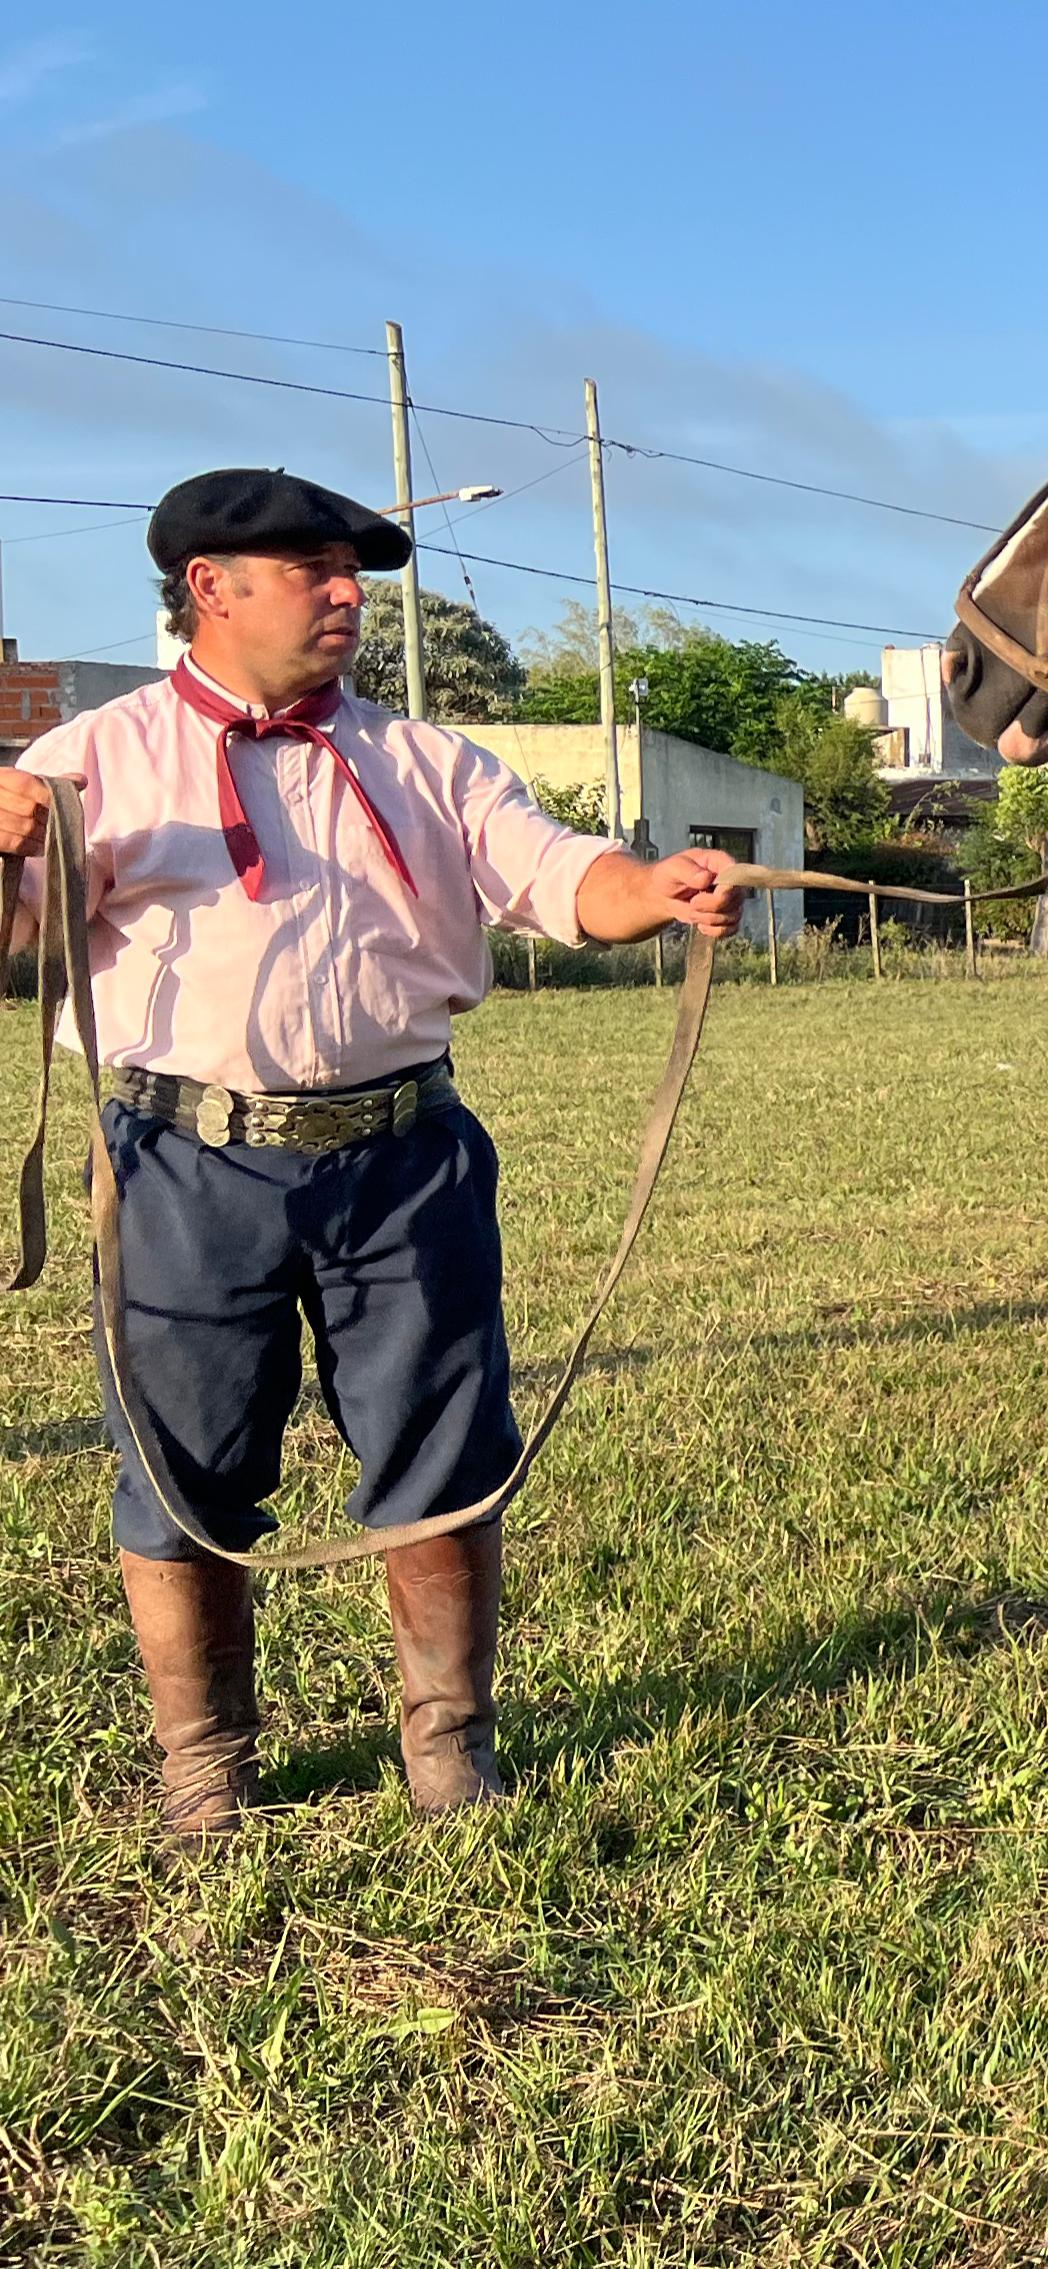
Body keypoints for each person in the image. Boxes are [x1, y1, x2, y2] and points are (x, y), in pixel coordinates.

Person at [0, 468, 742, 1840]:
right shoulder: (91, 762)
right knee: (183, 1466)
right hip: (181, 1163)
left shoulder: (426, 760)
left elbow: (557, 872)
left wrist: (655, 886)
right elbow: (13, 949)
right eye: (313, 570)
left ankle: (451, 1743)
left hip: (406, 1161)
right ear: (208, 588)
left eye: (353, 571)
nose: (349, 594)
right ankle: (204, 1760)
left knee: (445, 1451)